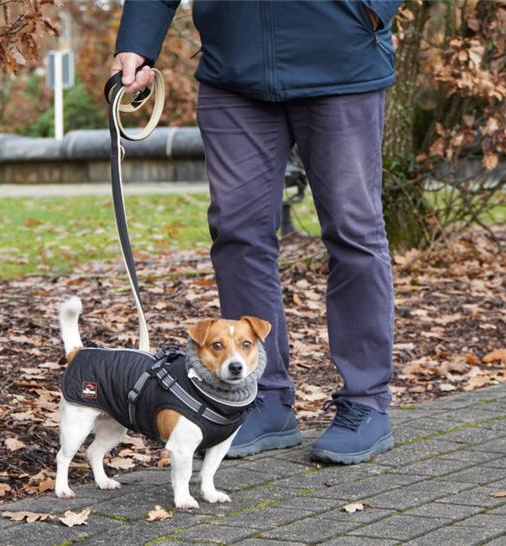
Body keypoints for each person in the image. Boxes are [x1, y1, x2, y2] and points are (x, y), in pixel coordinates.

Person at [112, 0, 402, 464]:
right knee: (237, 234)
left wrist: (367, 8)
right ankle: (263, 398)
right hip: (235, 71)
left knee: (353, 233)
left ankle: (366, 402)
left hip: (340, 61)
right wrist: (137, 44)